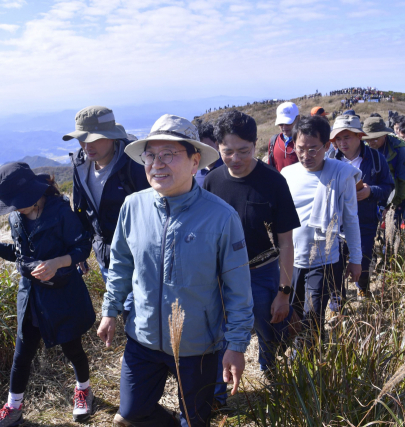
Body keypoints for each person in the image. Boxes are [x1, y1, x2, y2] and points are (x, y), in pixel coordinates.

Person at [97, 114, 254, 427]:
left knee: (195, 419)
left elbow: (238, 288)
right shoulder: (133, 206)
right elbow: (121, 264)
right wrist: (110, 310)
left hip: (198, 344)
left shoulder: (220, 217)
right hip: (142, 337)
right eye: (151, 155)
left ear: (195, 162)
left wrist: (236, 346)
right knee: (130, 414)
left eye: (169, 155)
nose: (157, 164)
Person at [0, 163, 96, 425]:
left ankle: (83, 390)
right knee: (23, 353)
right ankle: (13, 407)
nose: (17, 208)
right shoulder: (16, 217)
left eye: (19, 201)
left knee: (72, 347)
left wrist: (57, 263)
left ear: (33, 191)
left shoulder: (60, 211)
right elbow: (20, 255)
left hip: (62, 295)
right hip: (30, 298)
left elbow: (82, 247)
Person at [204, 110, 300, 404]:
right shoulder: (211, 181)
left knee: (270, 330)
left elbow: (286, 242)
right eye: (227, 151)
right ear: (217, 148)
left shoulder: (273, 182)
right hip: (220, 275)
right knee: (218, 336)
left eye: (243, 151)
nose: (235, 158)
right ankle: (219, 397)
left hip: (261, 271)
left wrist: (284, 291)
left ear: (256, 145)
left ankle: (273, 378)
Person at [281, 116, 362, 341]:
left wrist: (356, 258)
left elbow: (351, 218)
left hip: (324, 260)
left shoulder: (342, 174)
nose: (306, 155)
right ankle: (300, 358)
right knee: (291, 315)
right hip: (291, 259)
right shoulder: (287, 175)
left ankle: (312, 363)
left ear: (327, 146)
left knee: (313, 315)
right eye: (300, 149)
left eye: (313, 149)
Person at [66, 106, 149, 323]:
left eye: (93, 139)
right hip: (106, 256)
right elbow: (82, 208)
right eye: (81, 139)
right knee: (123, 311)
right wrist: (80, 249)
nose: (86, 145)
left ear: (111, 137)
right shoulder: (80, 163)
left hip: (138, 256)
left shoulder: (135, 164)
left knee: (135, 313)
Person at [330, 116, 393, 303]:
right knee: (336, 265)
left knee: (363, 261)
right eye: (338, 139)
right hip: (337, 224)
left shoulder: (376, 158)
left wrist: (369, 192)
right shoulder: (331, 159)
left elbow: (388, 187)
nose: (342, 143)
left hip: (364, 221)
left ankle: (362, 288)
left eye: (347, 137)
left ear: (360, 136)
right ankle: (337, 301)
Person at [362, 117, 405, 222]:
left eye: (374, 139)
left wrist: (393, 205)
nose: (370, 143)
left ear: (384, 135)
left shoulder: (398, 148)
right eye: (367, 139)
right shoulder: (365, 148)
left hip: (394, 195)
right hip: (371, 196)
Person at [268, 102, 300, 171]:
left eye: (288, 123)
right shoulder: (273, 141)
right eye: (281, 124)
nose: (284, 127)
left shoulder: (306, 143)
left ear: (298, 119)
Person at [194, 119, 224, 187]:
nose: (203, 152)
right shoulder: (194, 172)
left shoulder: (229, 168)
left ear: (217, 144)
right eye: (199, 149)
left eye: (207, 147)